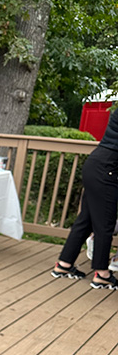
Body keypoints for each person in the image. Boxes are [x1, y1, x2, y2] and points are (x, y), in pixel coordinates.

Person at [51, 107, 118, 290]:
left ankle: (64, 264)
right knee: (105, 224)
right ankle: (102, 274)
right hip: (107, 169)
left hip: (96, 164)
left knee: (86, 220)